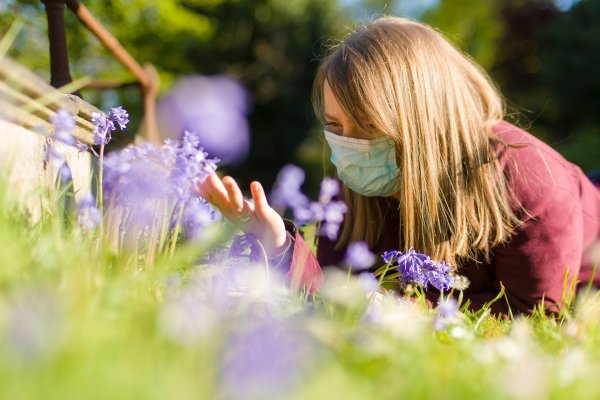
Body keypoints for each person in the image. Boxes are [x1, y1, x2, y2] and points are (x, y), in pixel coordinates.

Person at [196, 16, 600, 316]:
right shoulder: (359, 179)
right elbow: (338, 295)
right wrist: (278, 245)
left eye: (369, 125)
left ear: (425, 123)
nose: (350, 145)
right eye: (336, 126)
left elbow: (535, 314)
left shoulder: (532, 182)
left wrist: (404, 312)